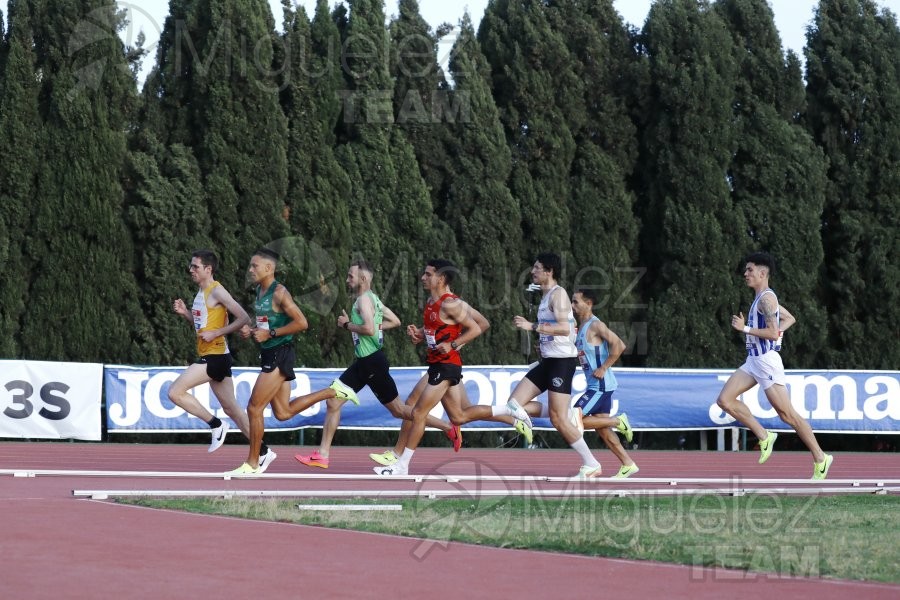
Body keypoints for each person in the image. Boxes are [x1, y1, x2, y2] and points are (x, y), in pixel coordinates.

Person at [294, 260, 459, 469]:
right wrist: (371, 326)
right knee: (334, 403)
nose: (347, 280)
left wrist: (347, 325)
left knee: (400, 411)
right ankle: (322, 455)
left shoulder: (364, 300)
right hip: (365, 362)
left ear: (363, 279)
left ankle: (447, 427)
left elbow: (370, 329)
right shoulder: (374, 299)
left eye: (350, 276)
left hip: (371, 363)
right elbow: (395, 321)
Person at [228, 248, 357, 475]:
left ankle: (252, 463)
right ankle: (332, 391)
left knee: (254, 408)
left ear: (269, 268)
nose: (250, 270)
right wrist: (253, 330)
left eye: (254, 266)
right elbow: (268, 323)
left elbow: (302, 323)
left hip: (280, 353)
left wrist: (271, 334)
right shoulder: (259, 290)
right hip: (270, 353)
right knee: (283, 412)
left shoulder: (280, 293)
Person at [716, 252, 832, 479]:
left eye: (750, 270)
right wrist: (775, 333)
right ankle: (764, 435)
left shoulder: (767, 300)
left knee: (787, 415)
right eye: (746, 270)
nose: (745, 273)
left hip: (767, 363)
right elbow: (789, 319)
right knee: (725, 400)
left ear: (762, 273)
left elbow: (771, 332)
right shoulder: (765, 298)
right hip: (753, 361)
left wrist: (745, 329)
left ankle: (821, 457)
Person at [374, 259, 487, 476]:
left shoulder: (454, 303)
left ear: (441, 278)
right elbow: (438, 329)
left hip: (445, 365)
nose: (423, 278)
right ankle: (508, 412)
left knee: (416, 410)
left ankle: (399, 458)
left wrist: (454, 345)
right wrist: (421, 334)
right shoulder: (431, 301)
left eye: (428, 274)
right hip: (437, 363)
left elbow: (481, 325)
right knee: (459, 415)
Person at [505, 252, 607, 479]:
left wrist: (532, 327)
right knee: (514, 404)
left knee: (558, 419)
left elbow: (565, 329)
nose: (532, 271)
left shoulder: (558, 295)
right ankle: (564, 411)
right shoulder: (546, 296)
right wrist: (542, 343)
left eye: (537, 267)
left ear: (549, 271)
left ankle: (591, 463)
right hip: (549, 360)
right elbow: (555, 331)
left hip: (562, 363)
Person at [169, 250, 255, 453]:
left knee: (175, 392)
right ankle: (263, 450)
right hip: (218, 356)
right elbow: (202, 327)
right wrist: (186, 314)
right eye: (191, 266)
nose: (191, 270)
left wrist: (217, 332)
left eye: (195, 267)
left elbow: (243, 318)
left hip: (214, 357)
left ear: (208, 269)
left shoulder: (217, 291)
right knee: (232, 409)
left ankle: (216, 424)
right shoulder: (201, 292)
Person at [569, 288, 637, 478]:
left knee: (571, 419)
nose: (572, 306)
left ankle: (619, 421)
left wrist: (604, 367)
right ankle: (628, 463)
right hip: (597, 384)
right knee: (603, 430)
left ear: (588, 303)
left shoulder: (595, 325)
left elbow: (620, 345)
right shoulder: (580, 327)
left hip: (600, 385)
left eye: (576, 302)